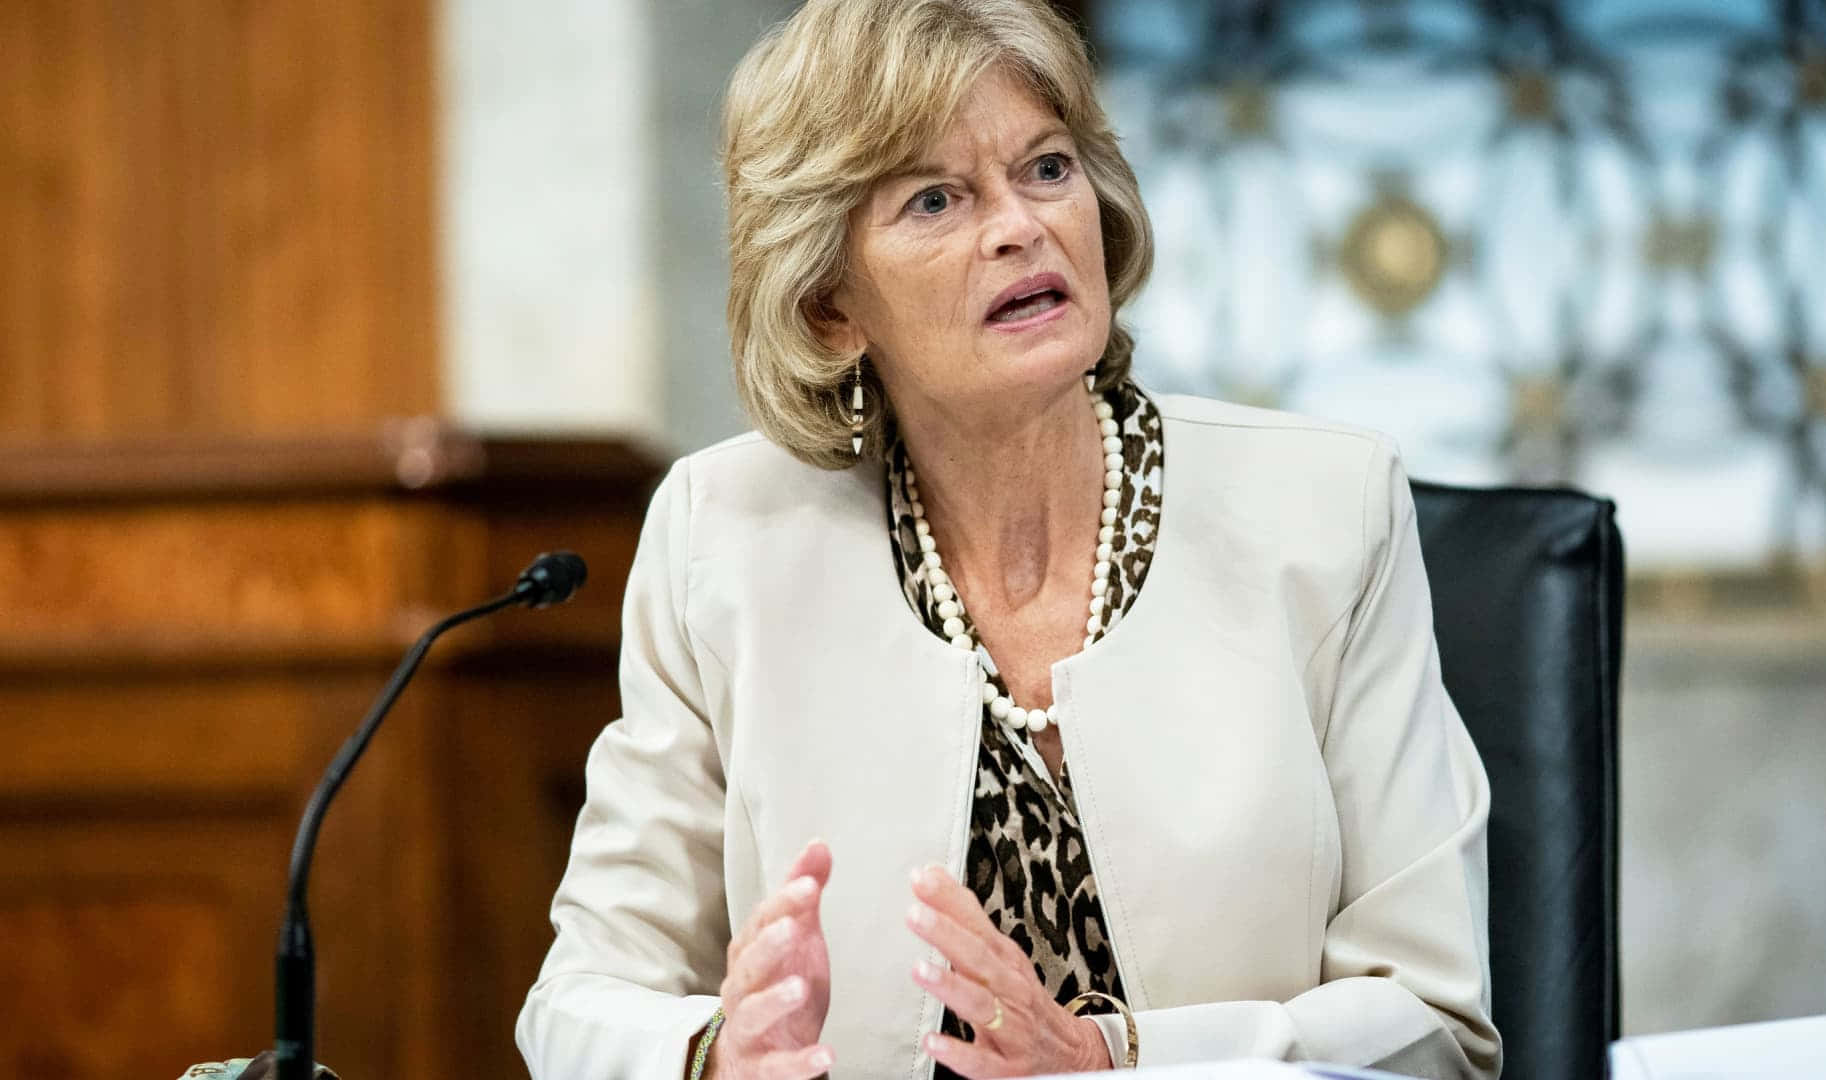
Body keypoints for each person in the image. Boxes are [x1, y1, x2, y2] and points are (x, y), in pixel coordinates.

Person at [516, 1, 1501, 1077]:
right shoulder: (728, 538)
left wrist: (1115, 1061)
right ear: (832, 306)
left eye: (1045, 169)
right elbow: (578, 999)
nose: (1018, 225)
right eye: (935, 198)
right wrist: (709, 1052)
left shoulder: (1325, 508)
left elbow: (1432, 1022)